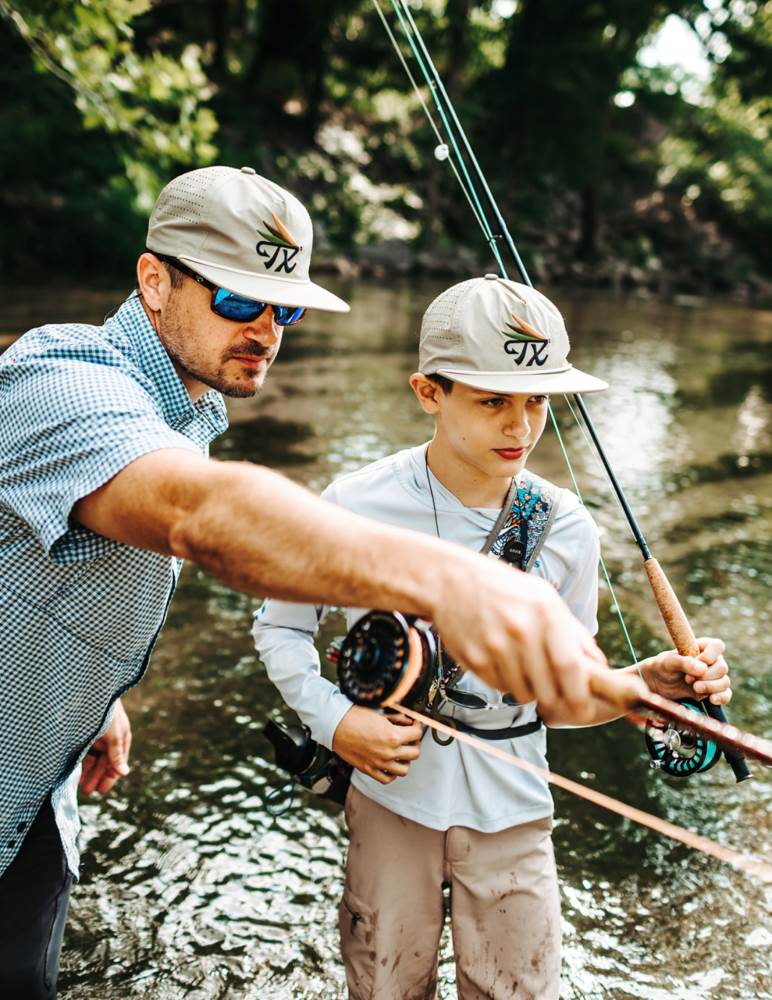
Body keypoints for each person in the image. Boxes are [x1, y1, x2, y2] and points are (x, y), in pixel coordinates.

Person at [0, 169, 621, 999]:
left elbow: (54, 565)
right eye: (238, 299)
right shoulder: (63, 379)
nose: (265, 328)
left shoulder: (179, 415)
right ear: (155, 280)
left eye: (284, 308)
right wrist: (453, 585)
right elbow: (201, 516)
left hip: (40, 783)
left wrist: (95, 699)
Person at [252, 274, 732, 1000]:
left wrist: (640, 687)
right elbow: (280, 629)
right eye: (493, 401)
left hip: (515, 812)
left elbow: (562, 700)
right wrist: (337, 721)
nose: (521, 426)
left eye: (537, 400)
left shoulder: (566, 526)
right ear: (427, 392)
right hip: (391, 803)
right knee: (384, 986)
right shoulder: (352, 504)